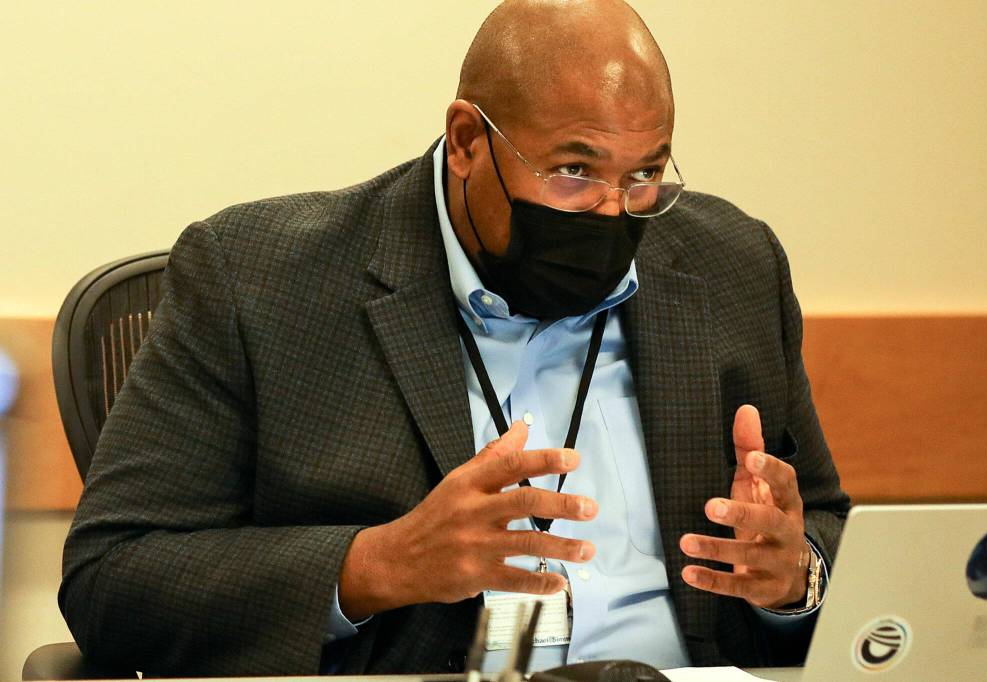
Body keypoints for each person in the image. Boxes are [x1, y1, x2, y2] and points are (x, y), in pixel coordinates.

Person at [59, 0, 849, 676]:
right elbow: (112, 579)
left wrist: (794, 577)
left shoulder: (732, 265)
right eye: (574, 171)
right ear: (469, 140)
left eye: (643, 175)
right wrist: (378, 564)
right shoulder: (259, 281)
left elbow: (823, 527)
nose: (614, 212)